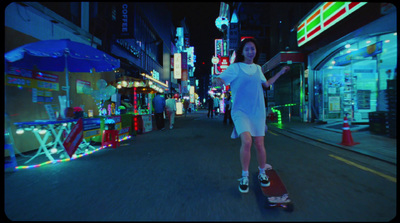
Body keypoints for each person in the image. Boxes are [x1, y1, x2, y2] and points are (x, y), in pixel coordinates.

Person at [212, 38, 290, 193]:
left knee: (259, 144)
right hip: (240, 111)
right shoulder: (235, 67)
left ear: (256, 51)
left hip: (257, 111)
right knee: (247, 141)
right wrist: (217, 80)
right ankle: (245, 175)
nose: (250, 51)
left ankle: (262, 173)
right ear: (242, 51)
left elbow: (266, 84)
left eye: (252, 49)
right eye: (247, 49)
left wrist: (281, 72)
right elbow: (221, 79)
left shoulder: (258, 68)